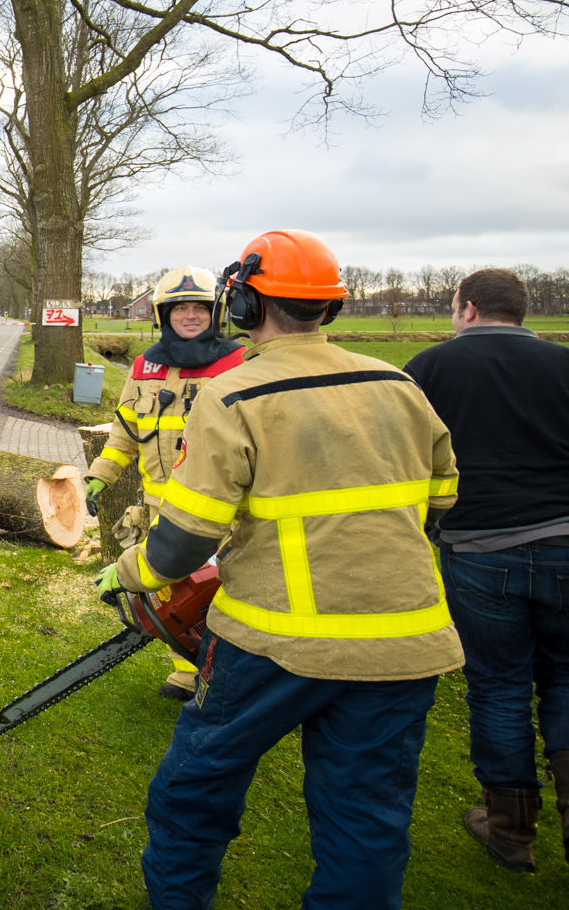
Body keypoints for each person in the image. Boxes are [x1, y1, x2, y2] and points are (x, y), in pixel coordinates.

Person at [97, 228, 460, 910]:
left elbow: (183, 540)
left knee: (193, 793)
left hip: (276, 642)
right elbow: (442, 499)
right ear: (332, 308)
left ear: (243, 305)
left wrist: (129, 571)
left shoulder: (234, 396)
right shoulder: (399, 384)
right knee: (365, 822)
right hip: (402, 643)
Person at [404, 267, 569, 873]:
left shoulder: (430, 368)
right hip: (566, 540)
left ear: (467, 308)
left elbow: (406, 455)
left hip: (480, 546)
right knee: (567, 680)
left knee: (498, 686)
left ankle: (510, 829)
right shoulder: (563, 365)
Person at [86, 266, 244, 700]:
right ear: (163, 315)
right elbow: (125, 432)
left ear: (216, 313)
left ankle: (220, 677)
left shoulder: (238, 364)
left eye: (199, 308)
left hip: (222, 514)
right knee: (175, 598)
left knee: (218, 598)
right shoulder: (144, 366)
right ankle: (187, 673)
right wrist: (101, 475)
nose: (190, 316)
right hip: (163, 509)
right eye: (180, 308)